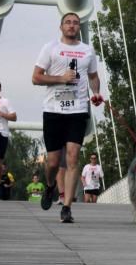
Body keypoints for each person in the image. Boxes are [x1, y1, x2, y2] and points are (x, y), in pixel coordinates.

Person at [31, 12, 103, 224]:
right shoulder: (50, 48)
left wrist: (97, 92)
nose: (72, 26)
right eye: (68, 22)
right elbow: (36, 77)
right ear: (61, 27)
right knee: (53, 162)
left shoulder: (87, 50)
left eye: (75, 23)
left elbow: (93, 76)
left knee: (72, 158)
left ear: (79, 27)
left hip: (78, 111)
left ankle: (67, 207)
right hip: (53, 111)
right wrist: (60, 78)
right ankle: (51, 185)